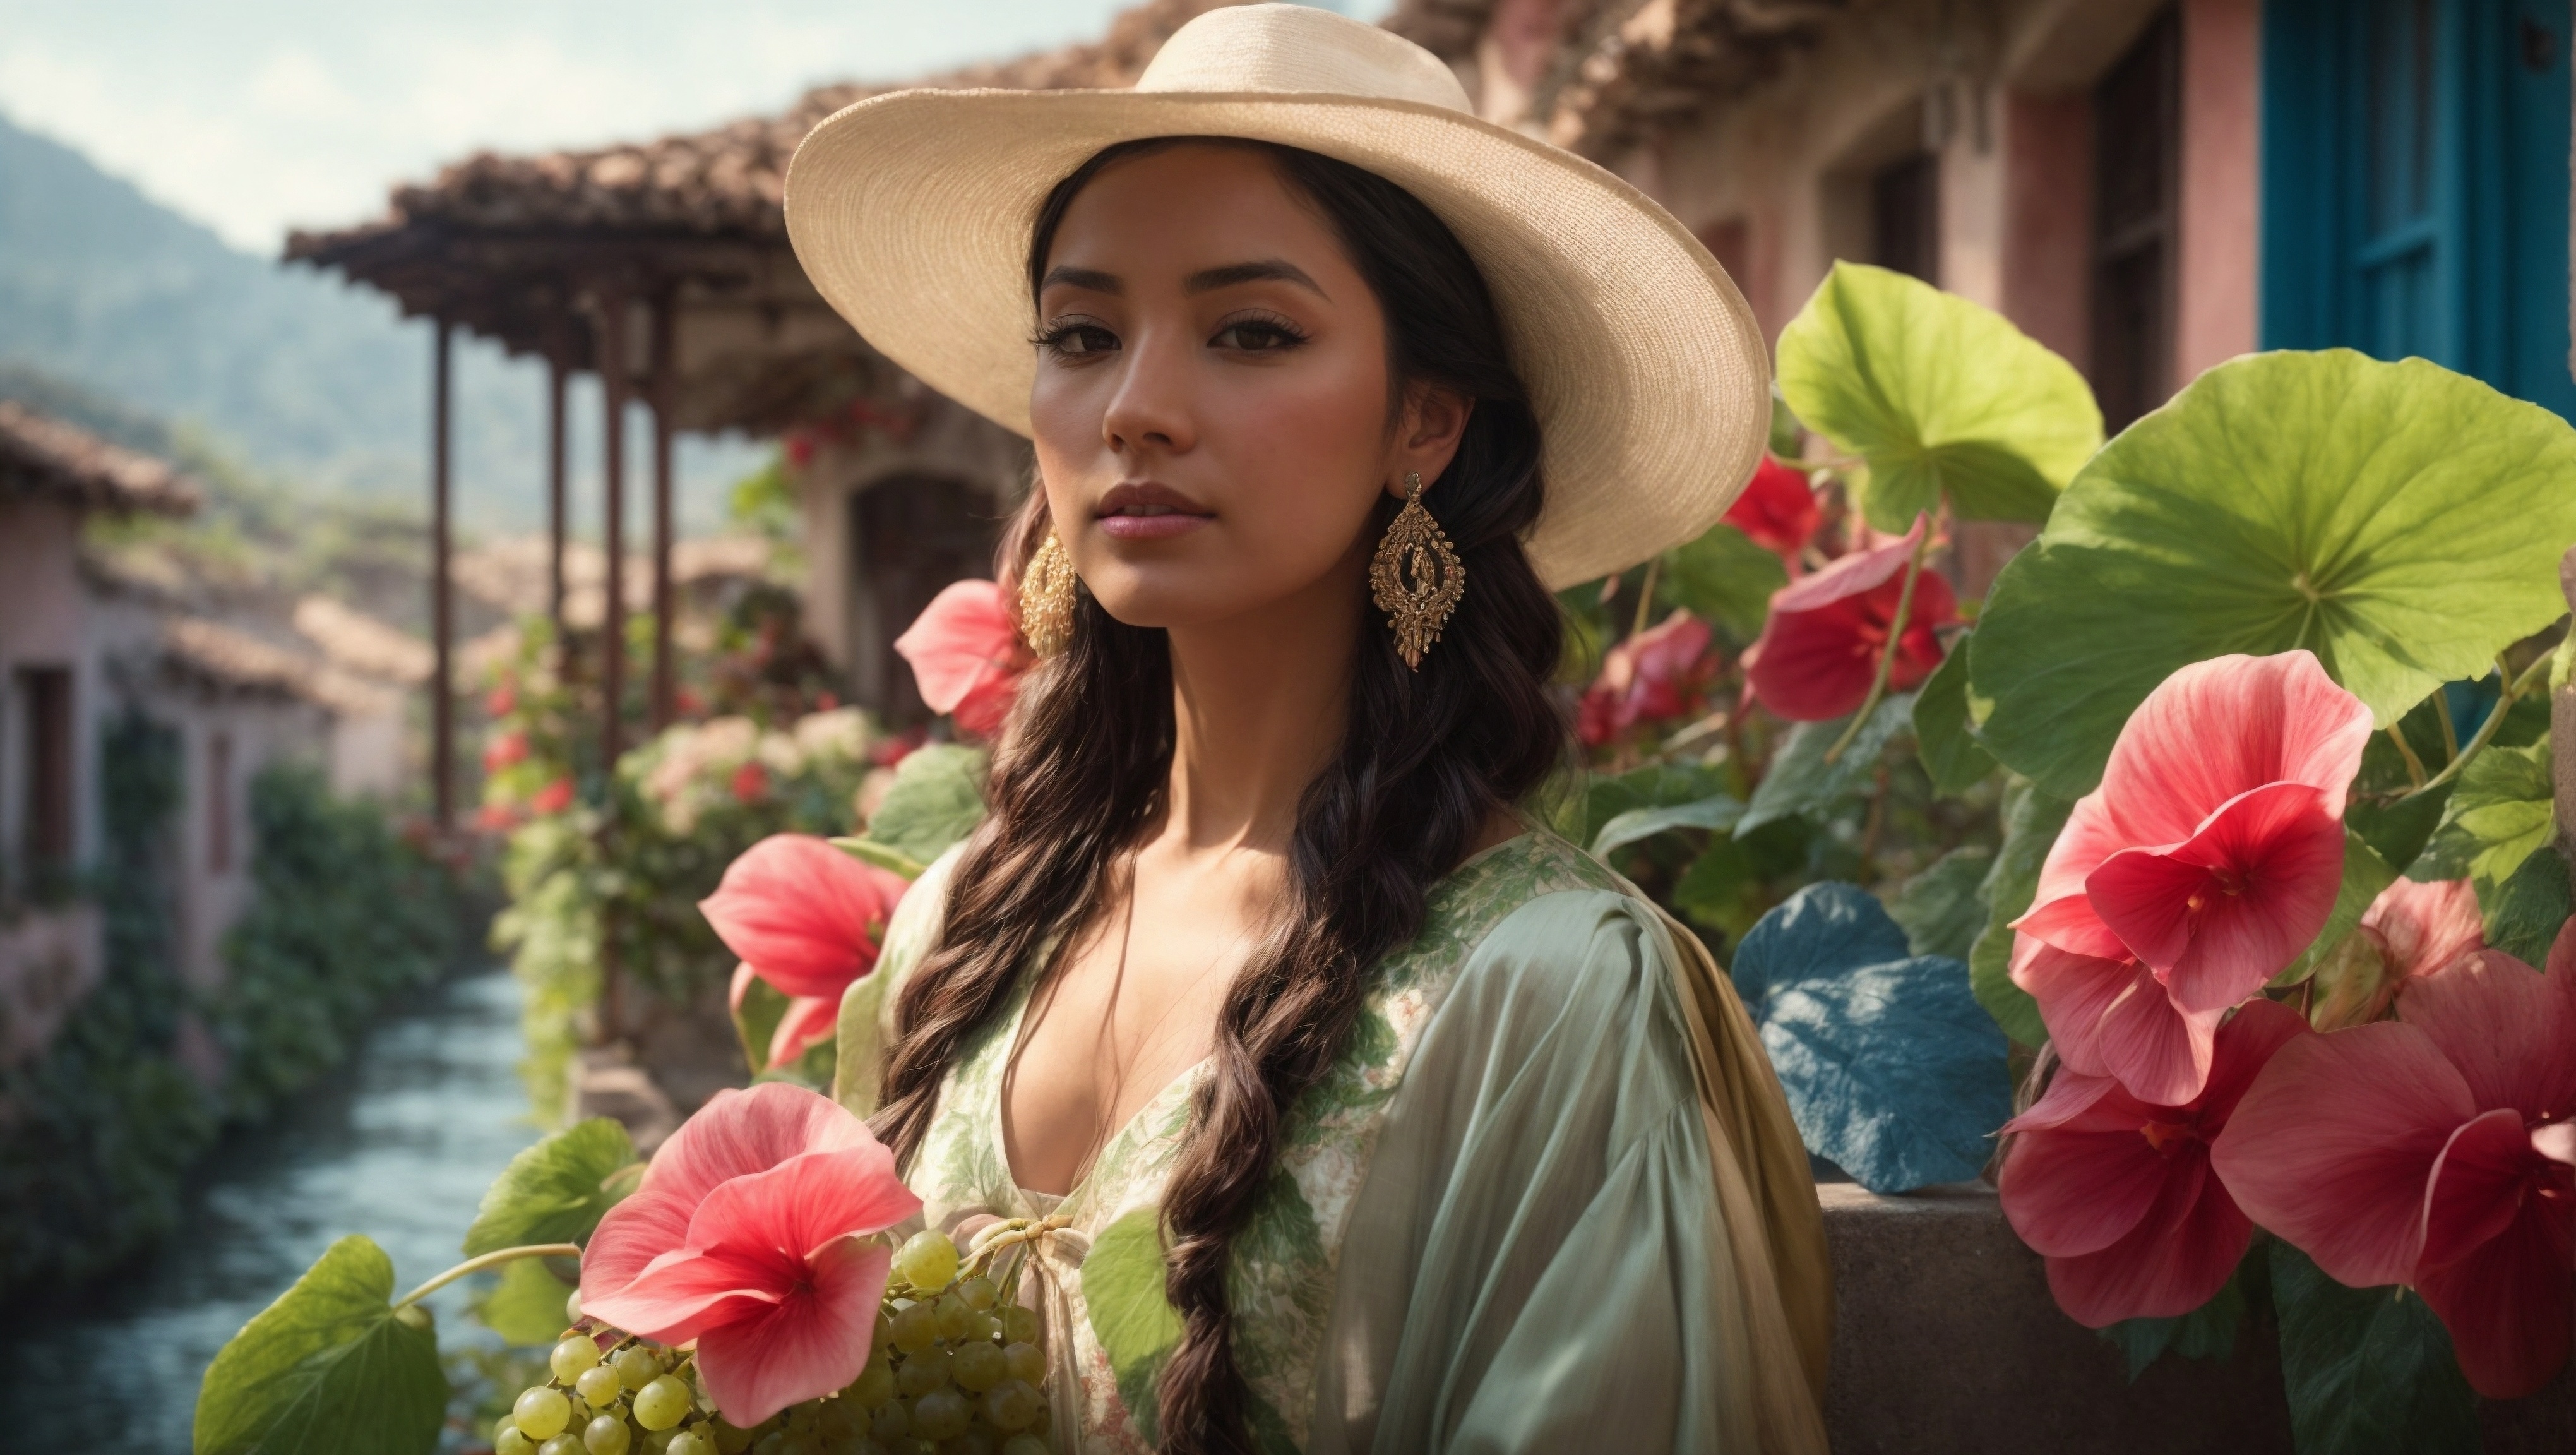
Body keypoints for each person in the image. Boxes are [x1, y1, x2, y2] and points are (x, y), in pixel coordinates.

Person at [785, 6, 1829, 1452]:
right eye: (1083, 334)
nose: (1136, 408)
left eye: (1252, 332)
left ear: (1427, 421)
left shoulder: (1541, 994)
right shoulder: (957, 930)